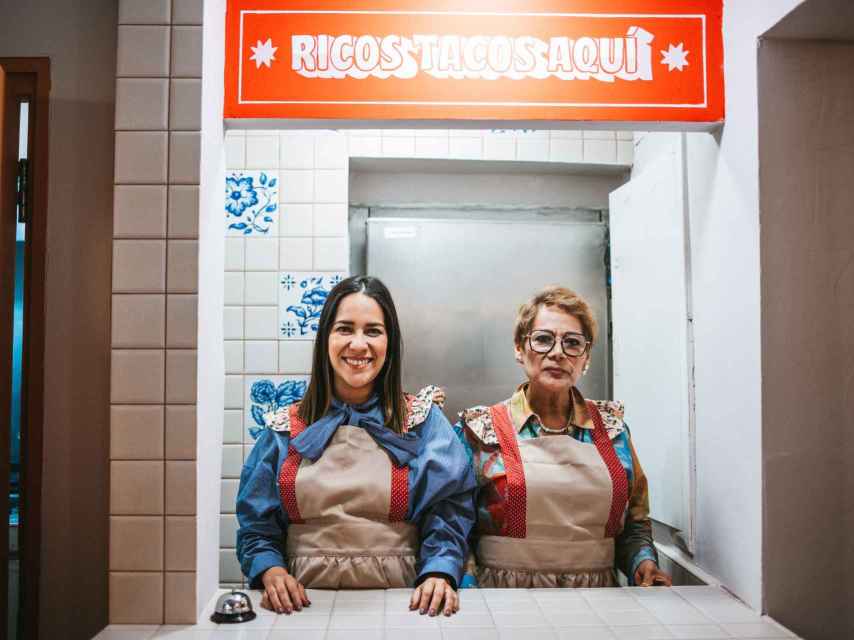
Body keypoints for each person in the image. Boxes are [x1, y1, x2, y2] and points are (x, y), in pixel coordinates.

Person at [236, 275, 475, 616]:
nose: (359, 344)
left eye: (373, 331)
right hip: (301, 607)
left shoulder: (423, 422)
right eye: (345, 329)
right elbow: (257, 526)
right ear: (325, 339)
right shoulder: (283, 428)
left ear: (390, 342)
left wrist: (439, 571)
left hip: (405, 604)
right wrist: (271, 571)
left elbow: (450, 510)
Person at [455, 285, 672, 588]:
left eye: (572, 343)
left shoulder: (613, 433)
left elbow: (634, 525)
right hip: (504, 597)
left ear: (586, 358)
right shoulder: (480, 431)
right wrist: (468, 590)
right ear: (519, 348)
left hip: (600, 600)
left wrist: (643, 563)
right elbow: (454, 525)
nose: (557, 353)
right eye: (543, 339)